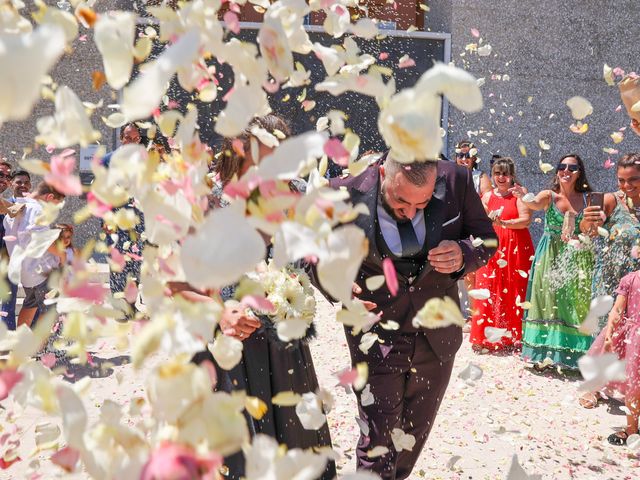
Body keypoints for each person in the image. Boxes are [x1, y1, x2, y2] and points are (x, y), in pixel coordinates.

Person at [180, 114, 335, 480]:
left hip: (286, 343)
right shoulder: (208, 200)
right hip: (228, 342)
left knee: (296, 441)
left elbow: (315, 260)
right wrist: (220, 314)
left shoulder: (298, 193)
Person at [324, 153, 497, 479]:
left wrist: (465, 253)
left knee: (410, 440)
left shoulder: (458, 180)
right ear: (381, 173)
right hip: (376, 336)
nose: (410, 212)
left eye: (423, 203)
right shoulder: (343, 191)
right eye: (400, 201)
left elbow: (486, 237)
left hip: (437, 339)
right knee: (378, 442)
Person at [514, 154, 595, 369]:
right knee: (547, 300)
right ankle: (544, 354)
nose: (566, 171)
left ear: (580, 173)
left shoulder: (588, 198)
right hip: (549, 254)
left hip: (578, 257)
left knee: (576, 302)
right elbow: (533, 203)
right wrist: (524, 196)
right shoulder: (549, 196)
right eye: (562, 166)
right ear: (557, 170)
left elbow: (593, 228)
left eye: (572, 167)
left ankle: (576, 356)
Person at [578, 153, 640, 408]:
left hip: (638, 282)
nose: (626, 186)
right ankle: (592, 387)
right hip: (613, 279)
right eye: (621, 180)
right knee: (610, 331)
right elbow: (588, 231)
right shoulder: (611, 200)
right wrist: (587, 222)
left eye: (633, 180)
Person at [470, 157, 533, 351]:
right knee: (488, 286)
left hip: (516, 245)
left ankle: (514, 337)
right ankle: (484, 336)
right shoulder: (488, 196)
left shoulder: (519, 194)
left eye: (505, 173)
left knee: (515, 288)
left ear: (512, 175)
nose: (501, 177)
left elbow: (525, 220)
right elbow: (480, 218)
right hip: (493, 245)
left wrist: (503, 224)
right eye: (497, 173)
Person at [585, 271, 640, 445]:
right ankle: (632, 428)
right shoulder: (631, 279)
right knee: (634, 384)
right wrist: (609, 334)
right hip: (636, 339)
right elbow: (616, 310)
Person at [3, 182, 66, 327]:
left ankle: (21, 343)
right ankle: (41, 347)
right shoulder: (37, 209)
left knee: (30, 305)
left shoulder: (15, 208)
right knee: (50, 309)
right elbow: (43, 241)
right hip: (40, 270)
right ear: (49, 197)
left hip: (25, 271)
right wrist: (62, 256)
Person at [102, 123, 145, 315]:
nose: (132, 142)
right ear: (121, 138)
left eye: (136, 138)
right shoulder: (107, 160)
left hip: (140, 220)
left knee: (136, 263)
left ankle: (131, 305)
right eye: (128, 138)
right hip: (116, 219)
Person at [454, 140, 491, 324]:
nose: (463, 158)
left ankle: (472, 315)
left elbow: (487, 199)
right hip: (454, 225)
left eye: (467, 155)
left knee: (471, 270)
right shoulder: (451, 174)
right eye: (460, 155)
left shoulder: (480, 176)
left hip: (471, 226)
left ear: (474, 157)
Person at [1, 169, 32, 330]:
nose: (23, 185)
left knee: (36, 301)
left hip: (32, 262)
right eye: (18, 182)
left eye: (26, 182)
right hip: (8, 260)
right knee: (8, 302)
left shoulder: (38, 206)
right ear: (11, 184)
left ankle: (34, 340)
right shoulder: (3, 205)